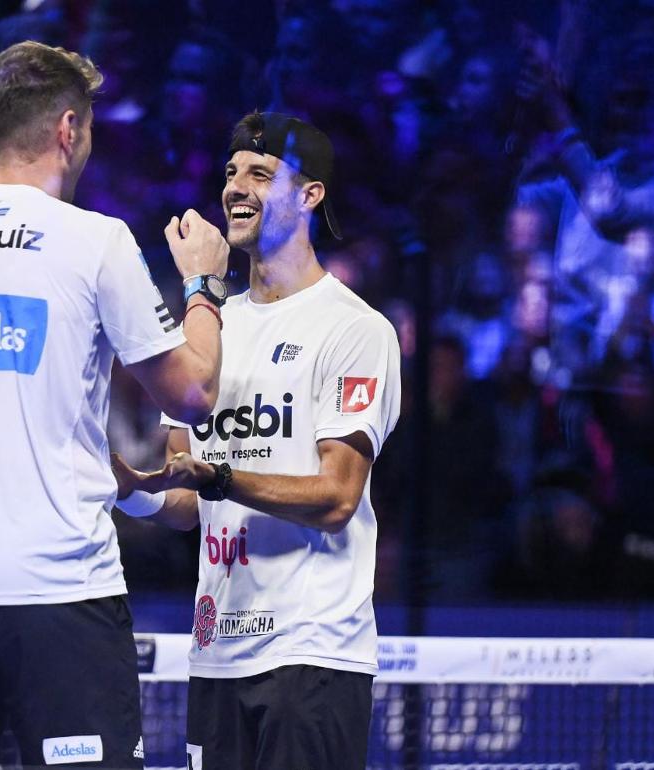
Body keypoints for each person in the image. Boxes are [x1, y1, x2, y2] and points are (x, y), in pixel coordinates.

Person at [0, 41, 229, 770]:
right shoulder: (92, 241)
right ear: (69, 128)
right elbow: (194, 394)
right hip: (58, 594)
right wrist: (203, 284)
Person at [113, 112, 401, 770]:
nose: (236, 187)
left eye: (261, 175)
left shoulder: (355, 330)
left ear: (311, 195)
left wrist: (216, 477)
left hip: (312, 655)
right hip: (217, 652)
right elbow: (188, 499)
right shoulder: (207, 329)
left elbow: (335, 496)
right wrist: (131, 492)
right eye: (231, 172)